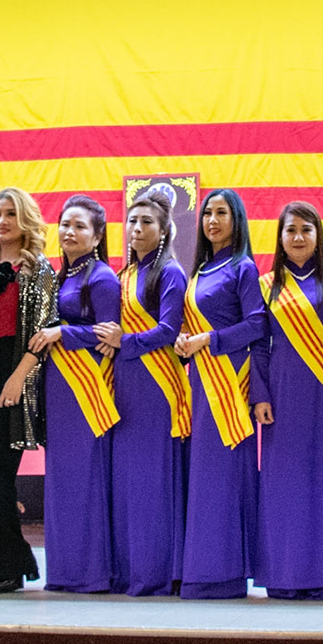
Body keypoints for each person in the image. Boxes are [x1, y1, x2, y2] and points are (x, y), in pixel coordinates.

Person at [252, 200, 323, 601]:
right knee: (284, 486)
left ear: (318, 235)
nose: (298, 237)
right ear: (280, 237)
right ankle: (283, 574)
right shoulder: (266, 285)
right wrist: (259, 393)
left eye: (306, 230)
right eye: (290, 230)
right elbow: (258, 345)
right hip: (281, 396)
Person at [174, 188, 265, 599]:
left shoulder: (242, 267)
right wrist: (184, 339)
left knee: (224, 479)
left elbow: (257, 324)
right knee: (203, 480)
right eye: (208, 213)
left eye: (222, 212)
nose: (212, 220)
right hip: (200, 382)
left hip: (228, 383)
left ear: (237, 219)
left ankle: (225, 574)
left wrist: (208, 339)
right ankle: (202, 568)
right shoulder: (200, 270)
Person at [99, 186, 190, 596]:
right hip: (124, 383)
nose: (136, 228)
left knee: (152, 480)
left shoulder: (170, 272)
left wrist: (126, 342)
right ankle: (129, 569)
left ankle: (156, 572)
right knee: (127, 481)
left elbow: (169, 330)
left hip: (156, 384)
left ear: (164, 230)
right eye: (132, 221)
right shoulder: (124, 275)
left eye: (146, 222)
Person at [29, 196, 121, 593]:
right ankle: (64, 571)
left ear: (97, 236)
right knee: (63, 480)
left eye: (80, 226)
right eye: (65, 224)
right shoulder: (61, 275)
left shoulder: (102, 278)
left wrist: (61, 333)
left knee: (86, 478)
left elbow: (108, 334)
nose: (69, 231)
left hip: (86, 387)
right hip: (59, 387)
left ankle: (90, 572)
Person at [0, 188, 55, 592]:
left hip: (14, 372)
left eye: (10, 214)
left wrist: (18, 378)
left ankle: (9, 565)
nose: (2, 221)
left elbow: (43, 331)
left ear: (26, 221)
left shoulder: (39, 269)